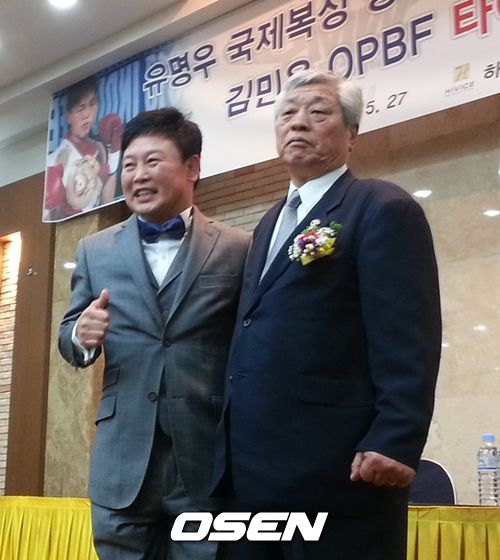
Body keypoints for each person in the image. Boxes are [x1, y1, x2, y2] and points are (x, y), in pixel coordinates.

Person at [212, 71, 442, 560]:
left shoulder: (381, 206)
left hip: (337, 471)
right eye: (287, 114)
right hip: (252, 472)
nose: (298, 123)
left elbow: (408, 335)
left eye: (317, 112)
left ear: (352, 133)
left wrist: (396, 438)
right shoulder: (270, 222)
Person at [58, 107, 250, 559]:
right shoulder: (94, 250)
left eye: (152, 161)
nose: (138, 175)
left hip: (206, 456)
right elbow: (68, 335)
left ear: (192, 167)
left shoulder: (238, 248)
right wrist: (81, 335)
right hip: (122, 459)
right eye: (129, 164)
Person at [44, 76, 123, 221]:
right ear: (69, 116)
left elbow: (107, 202)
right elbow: (51, 222)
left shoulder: (100, 148)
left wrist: (114, 151)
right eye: (80, 108)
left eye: (92, 104)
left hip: (100, 225)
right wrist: (55, 208)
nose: (87, 115)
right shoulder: (54, 160)